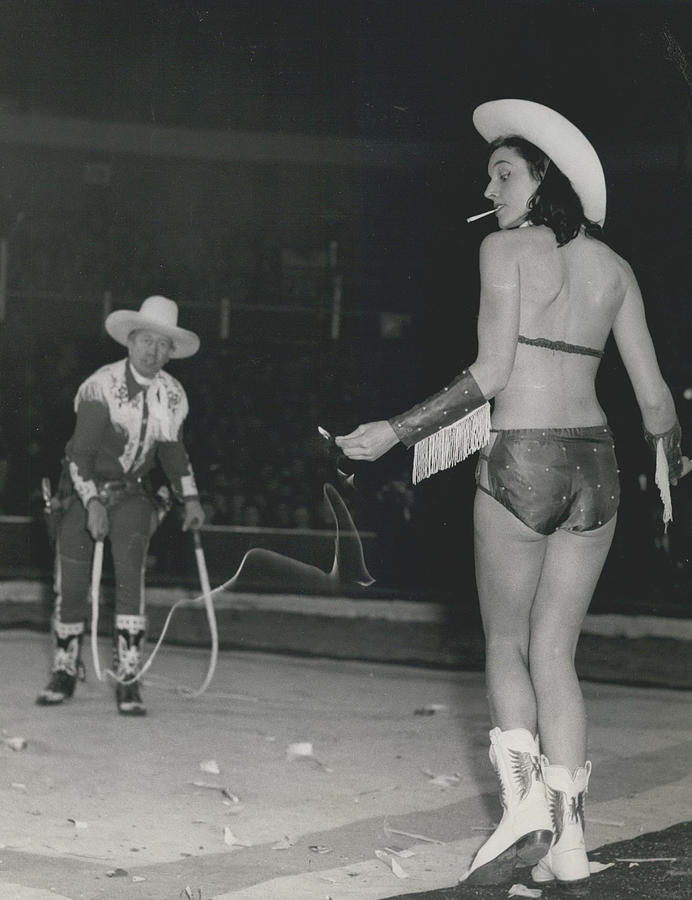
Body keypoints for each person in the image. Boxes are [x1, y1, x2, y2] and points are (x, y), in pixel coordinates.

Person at [336, 99, 690, 889]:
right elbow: (659, 406)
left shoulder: (505, 250)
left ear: (543, 181)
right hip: (596, 469)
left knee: (505, 644)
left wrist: (395, 431)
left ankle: (524, 809)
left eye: (504, 172)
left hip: (522, 459)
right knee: (557, 653)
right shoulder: (616, 269)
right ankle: (568, 846)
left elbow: (492, 375)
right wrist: (669, 468)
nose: (490, 187)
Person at [36, 295, 205, 716]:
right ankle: (64, 668)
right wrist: (90, 501)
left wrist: (191, 497)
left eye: (163, 345)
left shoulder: (172, 394)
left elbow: (172, 453)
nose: (153, 351)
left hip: (132, 493)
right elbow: (79, 455)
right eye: (147, 340)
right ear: (130, 342)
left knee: (131, 577)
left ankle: (128, 676)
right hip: (82, 486)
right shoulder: (101, 387)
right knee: (72, 583)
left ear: (171, 352)